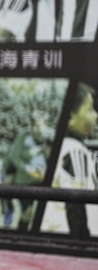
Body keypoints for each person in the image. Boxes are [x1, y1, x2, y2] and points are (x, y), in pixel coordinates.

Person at [42, 83, 98, 238]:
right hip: (66, 235)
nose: (95, 115)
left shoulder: (62, 147)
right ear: (70, 116)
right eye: (89, 109)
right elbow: (77, 209)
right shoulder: (75, 151)